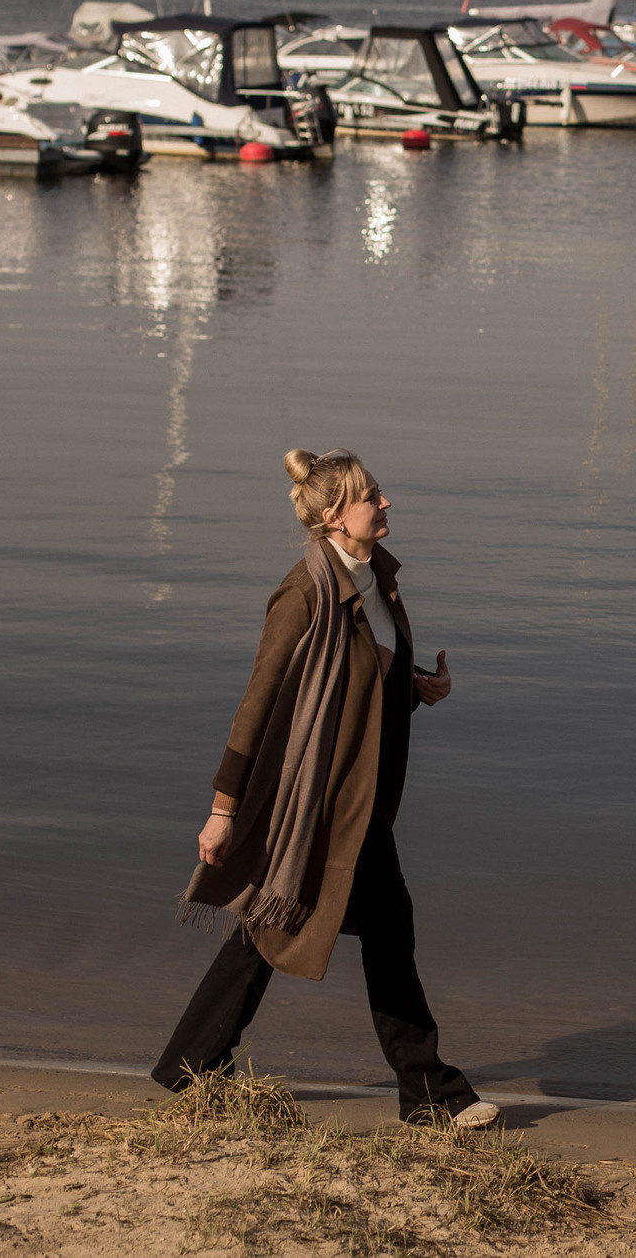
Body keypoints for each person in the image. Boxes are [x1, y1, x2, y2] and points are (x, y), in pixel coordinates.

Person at [152, 446, 498, 1128]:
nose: (385, 502)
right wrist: (223, 809)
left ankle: (192, 1062)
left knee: (279, 921)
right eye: (371, 496)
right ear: (335, 516)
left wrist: (418, 689)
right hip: (320, 800)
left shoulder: (376, 579)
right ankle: (429, 1091)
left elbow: (360, 685)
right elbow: (257, 703)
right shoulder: (305, 591)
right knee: (366, 929)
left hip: (357, 797)